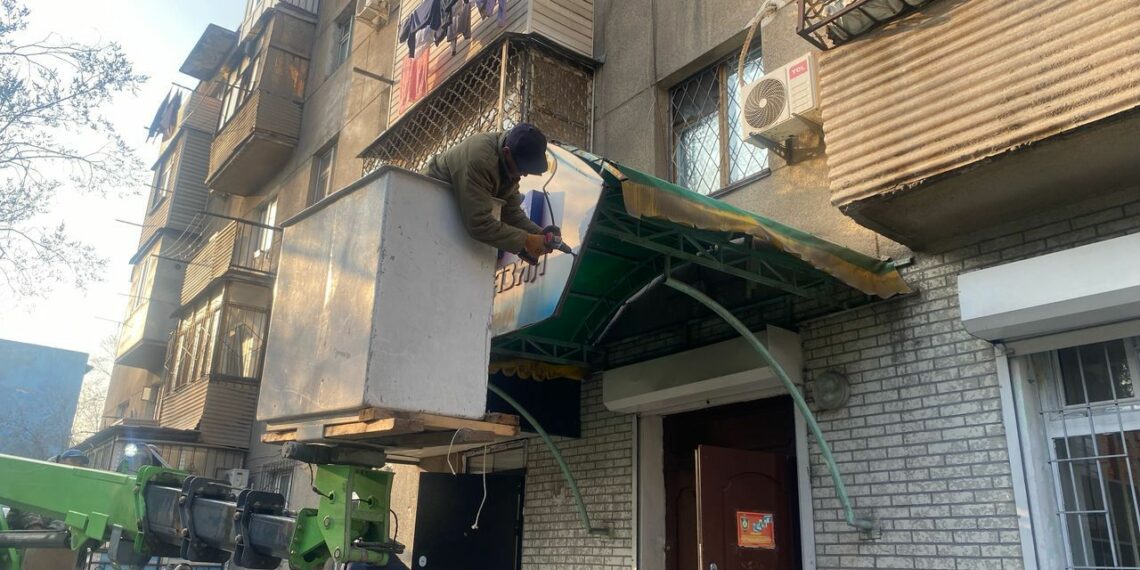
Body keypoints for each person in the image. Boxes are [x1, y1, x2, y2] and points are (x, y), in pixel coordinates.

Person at [424, 123, 559, 262]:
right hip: (426, 203)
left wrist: (539, 234)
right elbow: (479, 223)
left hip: (449, 220)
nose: (524, 175)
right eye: (522, 169)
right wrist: (526, 240)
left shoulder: (509, 164)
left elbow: (510, 212)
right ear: (506, 152)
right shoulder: (481, 160)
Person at [5, 449, 91, 570]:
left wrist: (56, 533)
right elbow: (26, 499)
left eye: (80, 463)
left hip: (50, 535)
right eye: (73, 460)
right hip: (21, 529)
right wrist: (35, 526)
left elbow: (69, 514)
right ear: (61, 460)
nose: (77, 466)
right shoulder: (40, 474)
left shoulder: (73, 488)